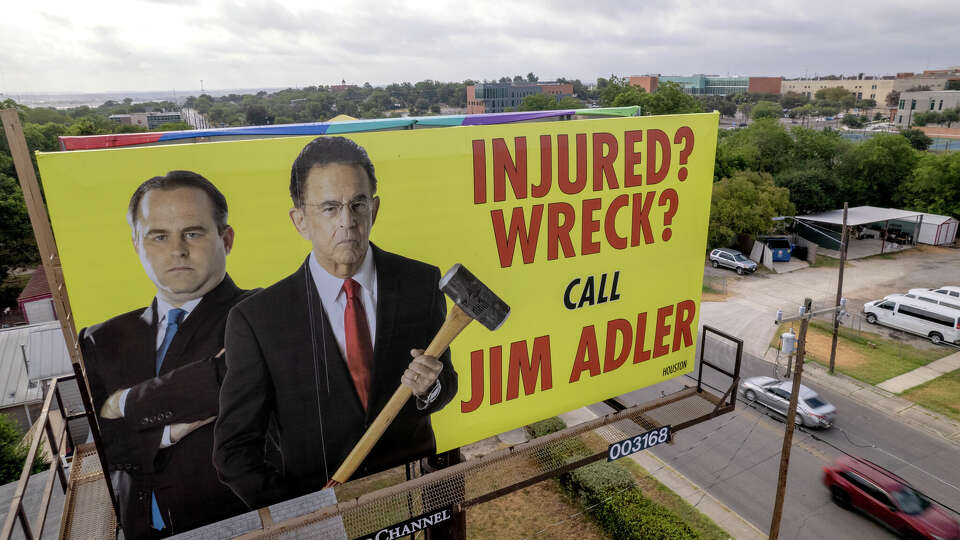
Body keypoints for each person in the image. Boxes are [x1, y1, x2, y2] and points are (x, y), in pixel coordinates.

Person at [214, 136, 457, 510]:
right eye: (329, 208)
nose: (348, 222)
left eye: (358, 204)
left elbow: (446, 384)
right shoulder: (256, 320)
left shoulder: (420, 283)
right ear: (300, 220)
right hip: (321, 514)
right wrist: (296, 513)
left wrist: (431, 388)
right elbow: (234, 450)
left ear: (374, 209)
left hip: (412, 498)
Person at [79, 171, 252, 538]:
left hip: (246, 527)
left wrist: (121, 404)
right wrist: (168, 431)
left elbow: (226, 378)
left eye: (192, 232)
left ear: (227, 239)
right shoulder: (100, 339)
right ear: (136, 244)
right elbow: (104, 448)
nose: (177, 250)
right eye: (159, 236)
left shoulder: (264, 311)